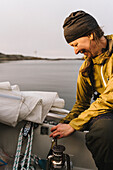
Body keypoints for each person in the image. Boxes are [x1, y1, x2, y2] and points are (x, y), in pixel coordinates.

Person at [50, 10, 113, 170]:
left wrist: (75, 125)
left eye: (76, 45)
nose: (76, 51)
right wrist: (66, 123)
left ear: (91, 34)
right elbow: (81, 104)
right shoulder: (86, 68)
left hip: (108, 105)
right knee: (102, 130)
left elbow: (109, 98)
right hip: (107, 111)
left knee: (103, 130)